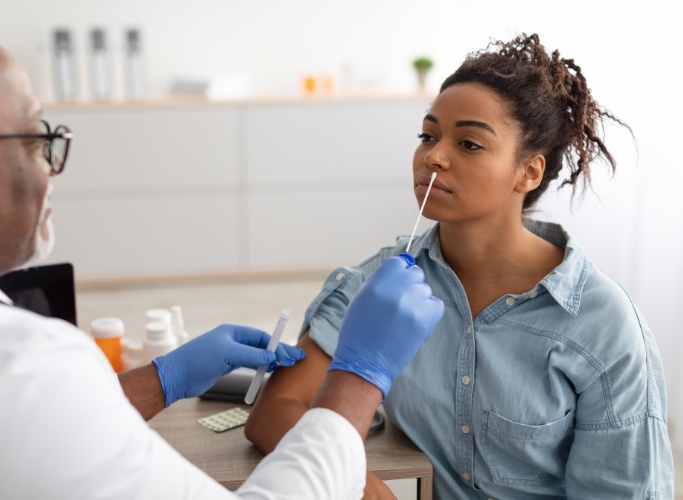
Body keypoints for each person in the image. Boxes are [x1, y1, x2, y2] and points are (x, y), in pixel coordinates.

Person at [0, 27, 446, 499]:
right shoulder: (17, 369)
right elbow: (33, 407)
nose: (50, 168)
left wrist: (164, 377)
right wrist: (359, 378)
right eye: (33, 140)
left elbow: (45, 432)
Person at [245, 32, 674, 498]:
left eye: (469, 144)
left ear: (528, 172)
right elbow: (276, 410)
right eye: (428, 135)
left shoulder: (602, 325)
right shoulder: (378, 286)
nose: (433, 156)